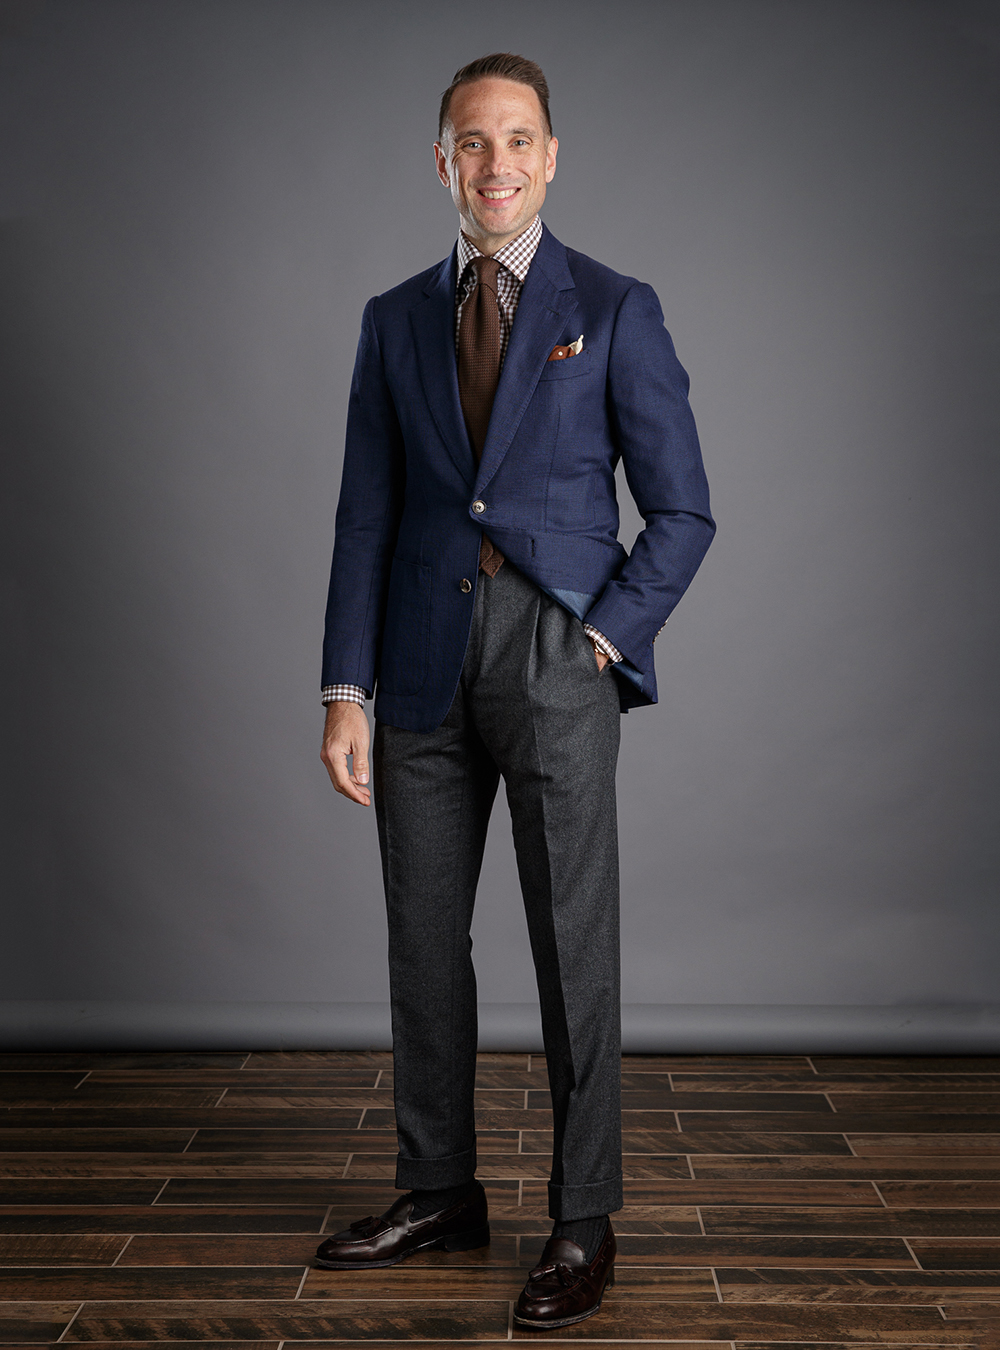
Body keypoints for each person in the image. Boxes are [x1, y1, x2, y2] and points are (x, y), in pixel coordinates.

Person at [314, 53, 714, 1330]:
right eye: (471, 143)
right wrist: (343, 688)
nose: (496, 165)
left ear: (552, 156)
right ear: (443, 161)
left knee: (569, 948)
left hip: (554, 661)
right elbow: (363, 518)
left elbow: (685, 510)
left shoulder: (616, 304)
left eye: (518, 141)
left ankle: (581, 1217)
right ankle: (439, 1188)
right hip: (419, 660)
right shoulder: (392, 319)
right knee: (423, 942)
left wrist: (599, 639)